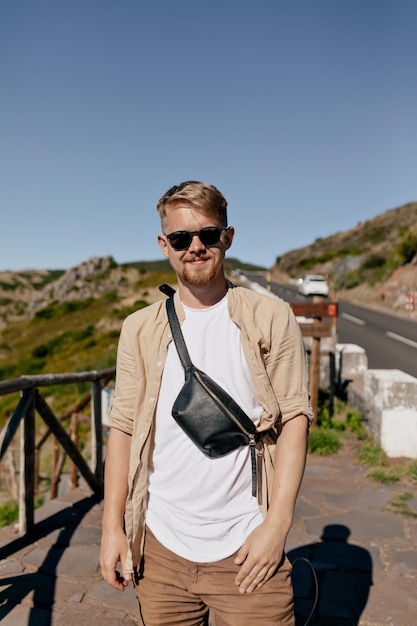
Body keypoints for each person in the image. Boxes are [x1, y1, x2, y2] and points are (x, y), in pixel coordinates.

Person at [100, 181, 313, 626]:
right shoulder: (139, 329)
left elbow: (295, 418)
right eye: (181, 238)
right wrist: (112, 529)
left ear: (227, 237)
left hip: (247, 547)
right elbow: (121, 428)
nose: (195, 247)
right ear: (164, 245)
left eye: (208, 235)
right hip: (159, 552)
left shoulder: (270, 318)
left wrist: (277, 527)